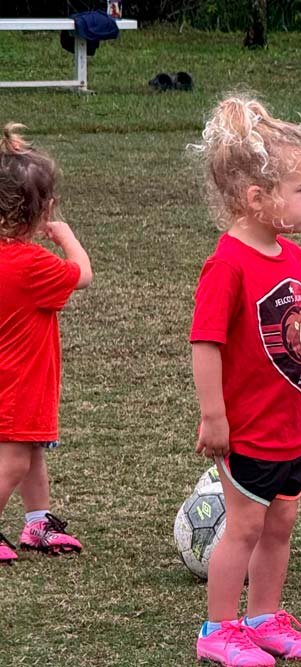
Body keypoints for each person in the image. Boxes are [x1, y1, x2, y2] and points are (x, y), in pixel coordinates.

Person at [189, 96, 301, 667]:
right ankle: (218, 630)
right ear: (257, 198)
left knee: (281, 524)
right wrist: (214, 414)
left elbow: (297, 336)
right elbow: (206, 343)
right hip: (246, 429)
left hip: (289, 425)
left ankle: (264, 619)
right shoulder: (228, 264)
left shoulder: (292, 255)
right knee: (243, 528)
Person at [0, 123, 92, 566]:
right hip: (18, 384)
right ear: (43, 209)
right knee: (15, 461)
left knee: (30, 453)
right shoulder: (33, 264)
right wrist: (67, 238)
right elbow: (83, 274)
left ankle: (37, 521)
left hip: (15, 382)